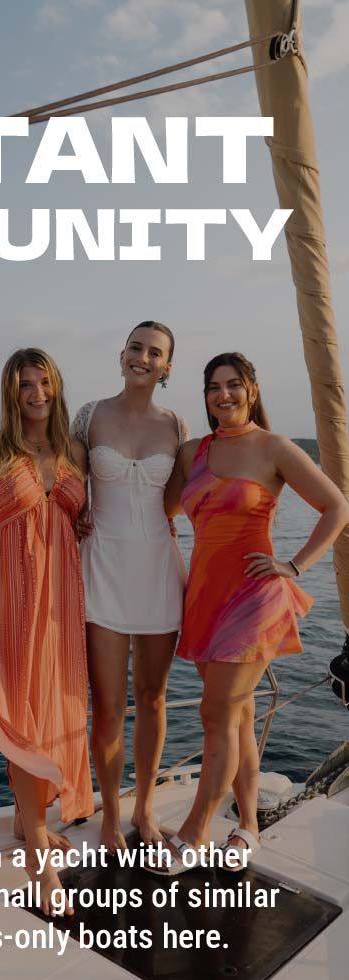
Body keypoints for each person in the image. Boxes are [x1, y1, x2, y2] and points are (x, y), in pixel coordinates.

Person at [155, 352, 349, 874]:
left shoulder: (275, 447)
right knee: (236, 719)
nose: (225, 395)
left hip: (255, 598)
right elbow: (164, 509)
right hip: (204, 598)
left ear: (253, 389)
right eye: (214, 386)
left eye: (234, 385)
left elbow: (336, 506)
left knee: (215, 714)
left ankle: (194, 833)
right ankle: (248, 828)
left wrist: (295, 564)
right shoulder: (192, 452)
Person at [0, 348, 94, 917]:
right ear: (9, 390)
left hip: (63, 592)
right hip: (8, 589)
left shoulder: (74, 451)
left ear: (57, 385)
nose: (36, 393)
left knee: (54, 705)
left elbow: (81, 517)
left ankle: (27, 819)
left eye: (44, 382)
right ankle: (40, 860)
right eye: (25, 384)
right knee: (19, 708)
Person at [71, 322, 187, 852]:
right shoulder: (90, 416)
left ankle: (145, 808)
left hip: (158, 568)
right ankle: (111, 815)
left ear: (167, 367)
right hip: (103, 568)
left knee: (154, 697)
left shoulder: (176, 425)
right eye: (136, 348)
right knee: (110, 706)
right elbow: (69, 490)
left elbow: (177, 501)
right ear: (122, 355)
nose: (143, 357)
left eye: (155, 352)